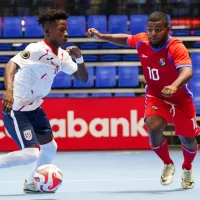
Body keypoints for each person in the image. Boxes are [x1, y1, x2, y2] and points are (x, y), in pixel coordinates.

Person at [87, 11, 199, 189]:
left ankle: (187, 168)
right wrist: (102, 36)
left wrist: (174, 85)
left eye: (158, 29)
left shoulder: (176, 47)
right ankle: (168, 164)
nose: (153, 33)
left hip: (180, 98)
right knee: (153, 128)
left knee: (188, 140)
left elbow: (187, 71)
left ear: (168, 29)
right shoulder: (142, 40)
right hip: (156, 95)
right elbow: (125, 39)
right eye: (150, 29)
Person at [2, 8, 88, 193]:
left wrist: (79, 59)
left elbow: (82, 78)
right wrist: (9, 90)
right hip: (17, 107)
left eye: (66, 30)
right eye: (61, 30)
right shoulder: (36, 49)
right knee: (31, 153)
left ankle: (32, 183)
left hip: (34, 106)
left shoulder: (63, 56)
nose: (66, 33)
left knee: (50, 147)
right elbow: (11, 64)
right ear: (48, 31)